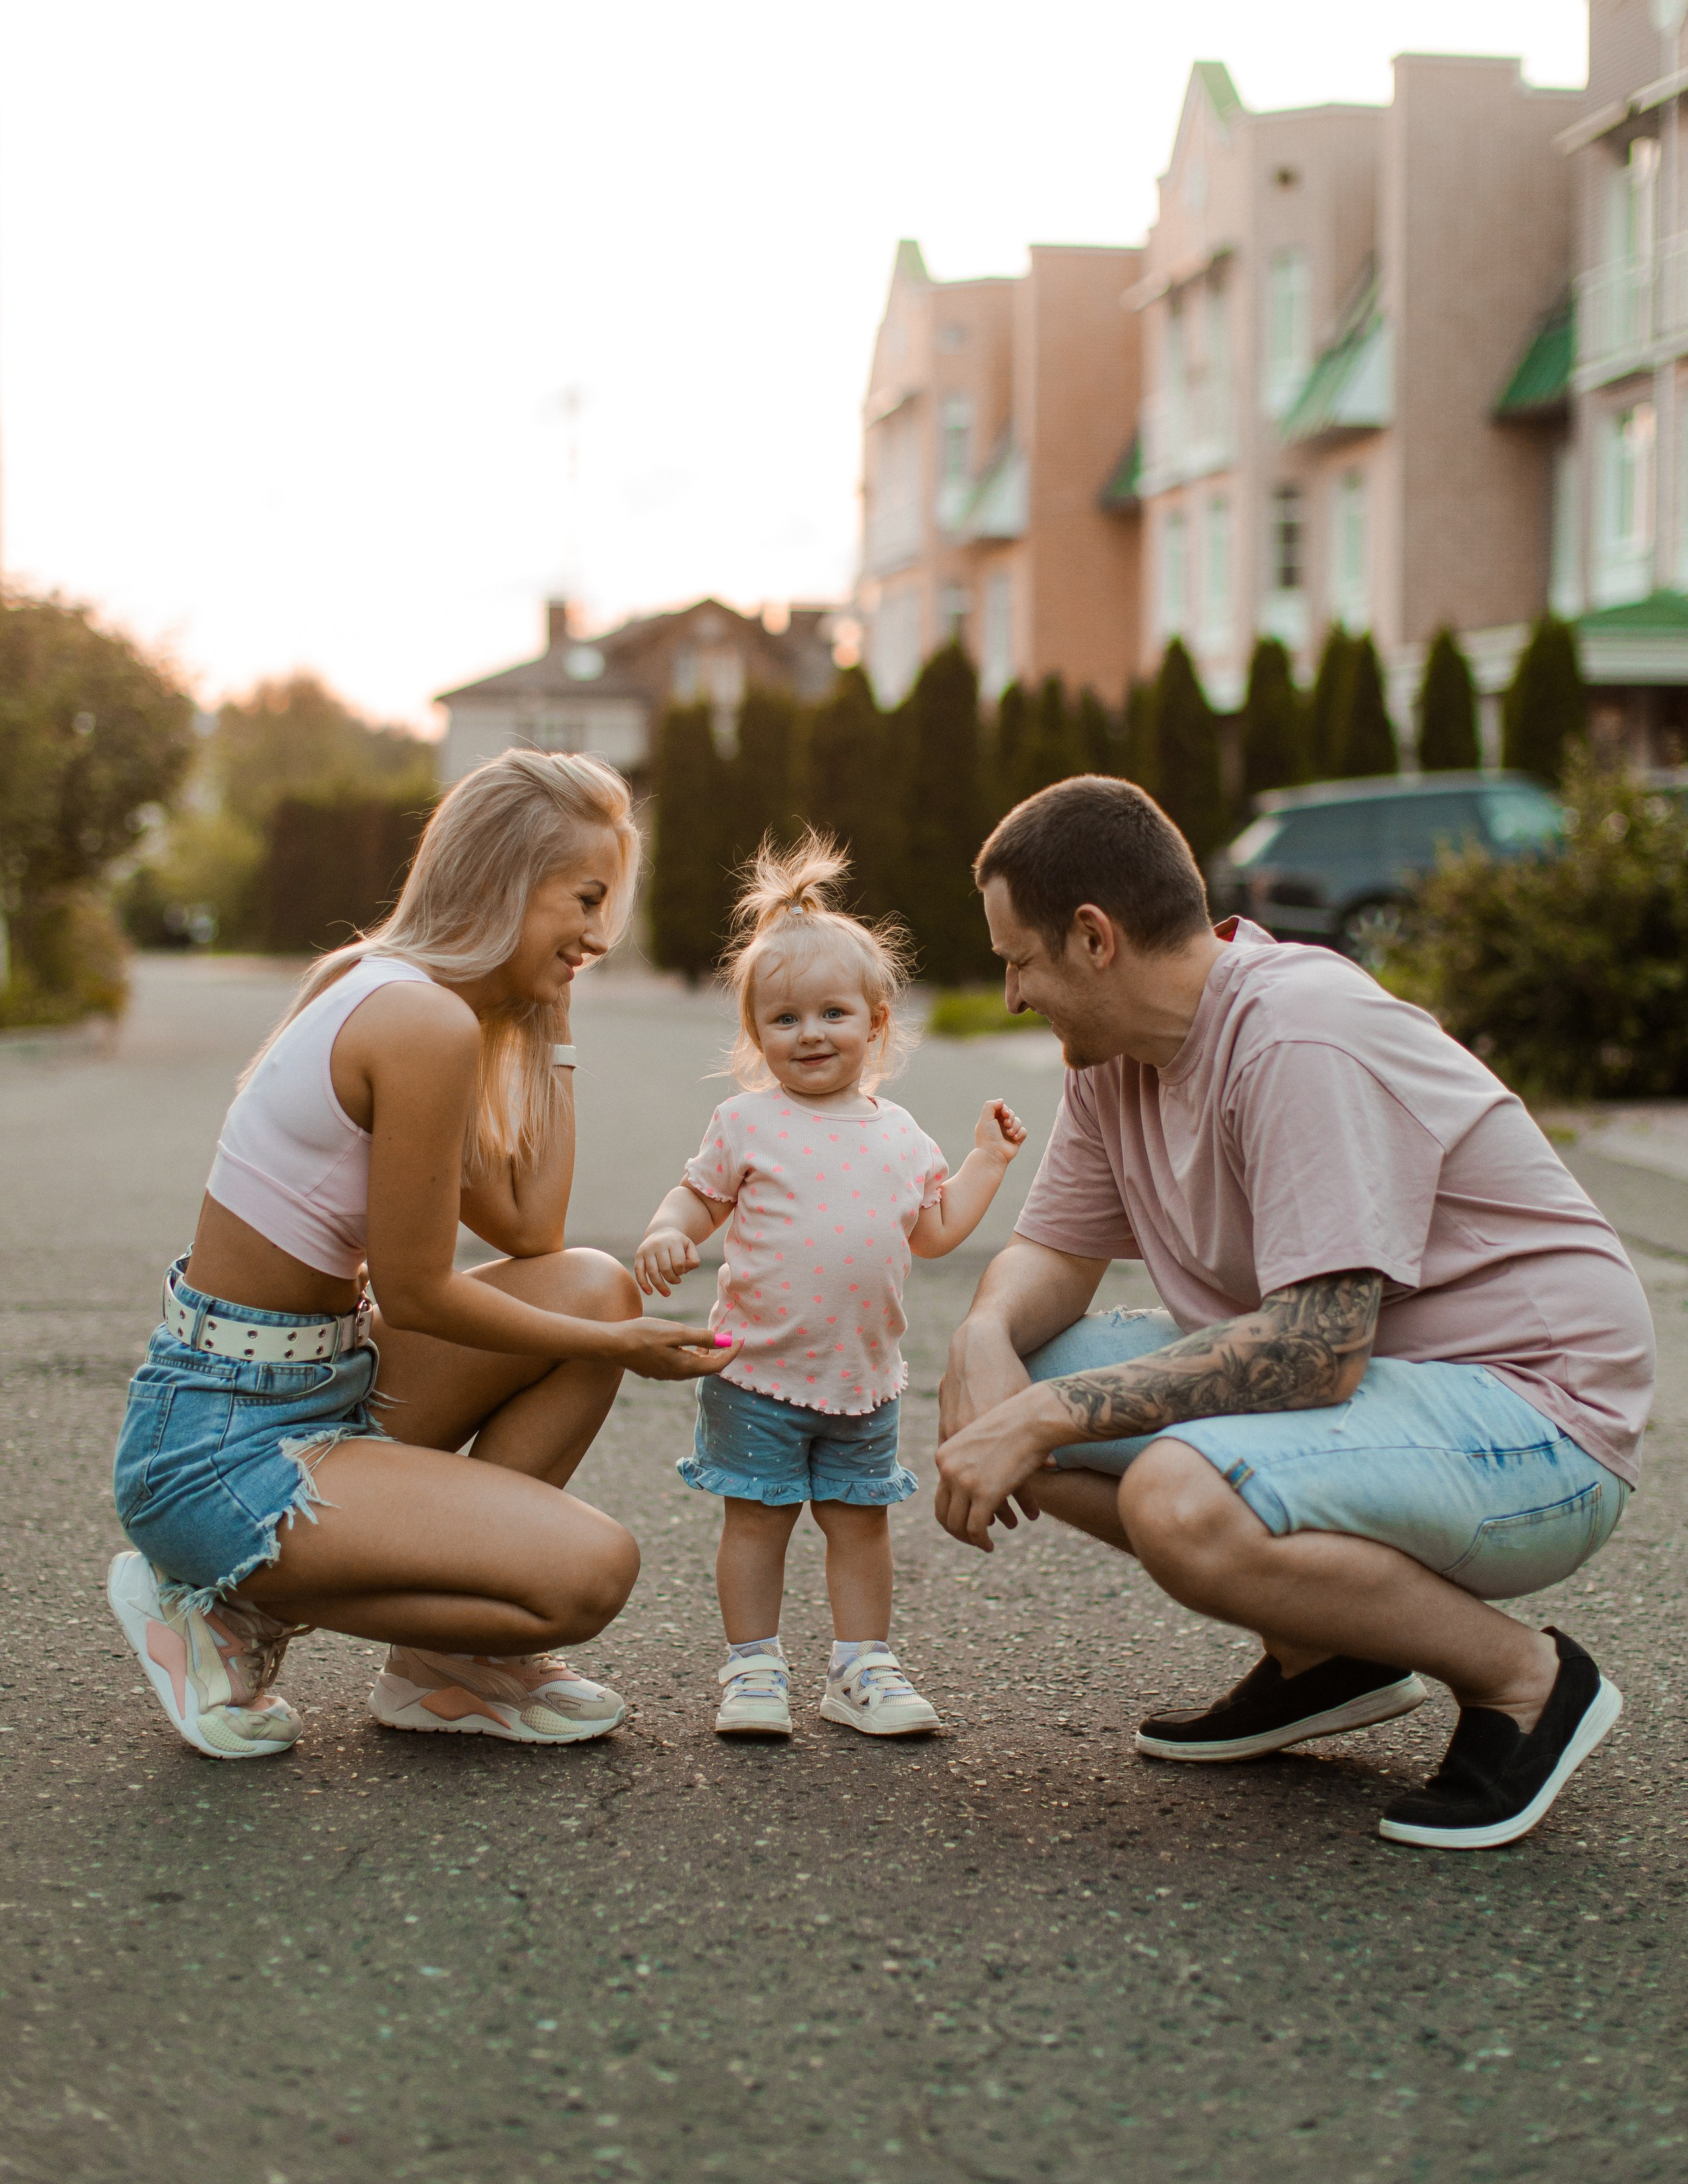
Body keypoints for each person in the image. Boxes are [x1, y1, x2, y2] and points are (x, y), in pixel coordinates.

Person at [934, 777, 1654, 1851]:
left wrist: (1042, 1418)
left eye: (1018, 961)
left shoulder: (1296, 1034)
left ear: (1093, 938)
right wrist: (983, 1342)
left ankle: (1528, 1683)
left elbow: (1317, 1350)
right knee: (1007, 1384)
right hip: (1390, 1404)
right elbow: (1053, 1255)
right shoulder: (1117, 1058)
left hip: (1537, 1427)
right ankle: (1333, 1654)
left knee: (1176, 1495)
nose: (1010, 997)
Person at [107, 748, 730, 1762]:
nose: (600, 935)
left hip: (319, 1385)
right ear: (505, 881)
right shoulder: (416, 1021)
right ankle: (221, 1608)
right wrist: (622, 1350)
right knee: (589, 1575)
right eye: (585, 900)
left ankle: (444, 1667)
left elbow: (530, 1229)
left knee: (596, 1286)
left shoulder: (403, 995)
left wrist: (554, 1018)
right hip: (221, 1448)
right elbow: (419, 1292)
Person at [634, 834, 1026, 1739]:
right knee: (755, 1525)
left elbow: (935, 1231)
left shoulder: (902, 1136)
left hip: (862, 1380)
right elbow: (699, 1198)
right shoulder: (746, 1122)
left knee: (860, 1527)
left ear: (877, 1022)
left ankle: (860, 1667)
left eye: (833, 1014)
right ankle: (752, 1668)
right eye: (785, 1019)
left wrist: (986, 1162)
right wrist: (666, 1231)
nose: (810, 1034)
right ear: (756, 1034)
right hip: (755, 1375)